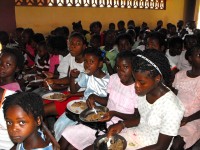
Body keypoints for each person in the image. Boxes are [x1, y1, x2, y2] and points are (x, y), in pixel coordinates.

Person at [59, 51, 138, 150]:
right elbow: (108, 101)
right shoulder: (114, 78)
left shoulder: (137, 88)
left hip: (120, 127)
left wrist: (114, 113)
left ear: (134, 68)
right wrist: (94, 97)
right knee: (67, 133)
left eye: (125, 67)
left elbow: (136, 117)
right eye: (118, 67)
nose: (120, 71)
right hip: (103, 121)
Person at [107, 49, 184, 150]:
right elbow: (145, 119)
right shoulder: (144, 92)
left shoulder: (172, 107)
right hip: (137, 133)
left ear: (157, 78)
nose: (136, 86)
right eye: (135, 80)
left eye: (141, 82)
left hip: (153, 145)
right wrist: (122, 124)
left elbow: (161, 146)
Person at [54, 47, 110, 141]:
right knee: (59, 124)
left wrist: (94, 97)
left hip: (97, 111)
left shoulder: (109, 80)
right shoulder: (86, 76)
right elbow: (73, 91)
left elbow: (108, 102)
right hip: (83, 106)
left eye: (91, 62)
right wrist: (72, 77)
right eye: (85, 61)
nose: (87, 65)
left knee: (72, 133)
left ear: (100, 64)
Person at [44, 32, 87, 117]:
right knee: (39, 103)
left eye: (78, 44)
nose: (73, 46)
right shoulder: (71, 58)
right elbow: (69, 78)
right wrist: (53, 81)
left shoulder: (88, 62)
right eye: (71, 43)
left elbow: (90, 90)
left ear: (84, 46)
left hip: (80, 97)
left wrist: (56, 83)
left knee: (43, 110)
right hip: (68, 92)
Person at [171, 45, 200, 150]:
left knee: (176, 143)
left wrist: (187, 119)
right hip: (175, 115)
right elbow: (172, 97)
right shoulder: (180, 75)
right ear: (190, 58)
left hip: (194, 118)